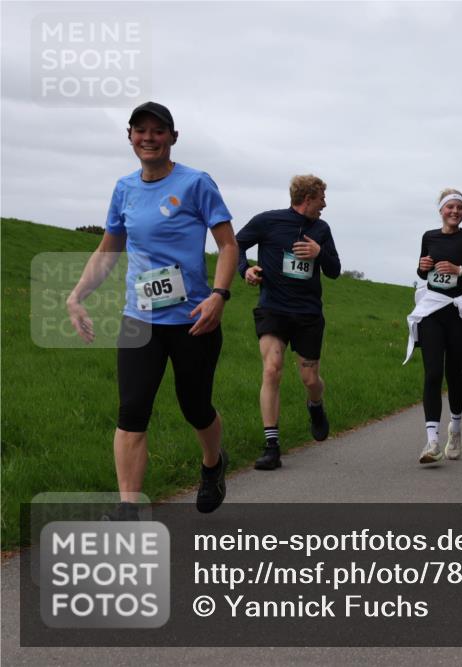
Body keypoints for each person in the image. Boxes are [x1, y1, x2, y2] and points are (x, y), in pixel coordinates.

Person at [66, 101, 237, 516]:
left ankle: (212, 464)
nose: (148, 138)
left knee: (195, 407)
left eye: (158, 131)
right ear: (129, 136)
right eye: (140, 130)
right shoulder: (124, 188)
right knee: (131, 411)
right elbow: (109, 250)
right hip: (139, 318)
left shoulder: (196, 183)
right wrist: (76, 296)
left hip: (193, 319)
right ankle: (128, 509)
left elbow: (228, 245)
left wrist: (218, 294)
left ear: (172, 137)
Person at [236, 175, 342, 470]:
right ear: (308, 198)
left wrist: (319, 253)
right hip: (273, 308)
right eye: (322, 198)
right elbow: (235, 244)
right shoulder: (267, 221)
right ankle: (271, 446)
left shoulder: (321, 229)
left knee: (310, 379)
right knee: (272, 369)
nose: (325, 204)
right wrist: (245, 269)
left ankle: (315, 405)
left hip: (308, 313)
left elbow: (335, 270)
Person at [404, 188, 462, 465]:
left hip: (458, 314)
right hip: (432, 311)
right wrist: (422, 266)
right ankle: (432, 442)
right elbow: (423, 273)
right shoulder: (429, 237)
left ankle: (455, 429)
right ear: (441, 210)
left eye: (459, 208)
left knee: (454, 375)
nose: (455, 212)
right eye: (450, 207)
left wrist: (459, 270)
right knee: (432, 373)